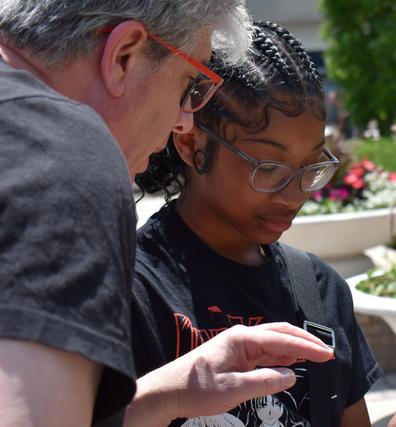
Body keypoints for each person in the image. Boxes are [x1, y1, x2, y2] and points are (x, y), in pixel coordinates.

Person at [133, 21, 396, 427]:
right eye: (269, 168)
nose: (294, 193)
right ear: (193, 144)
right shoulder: (134, 289)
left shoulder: (317, 290)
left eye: (311, 167)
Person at [0, 2, 335, 426]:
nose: (183, 118)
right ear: (123, 54)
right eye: (190, 83)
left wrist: (161, 398)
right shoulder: (66, 160)